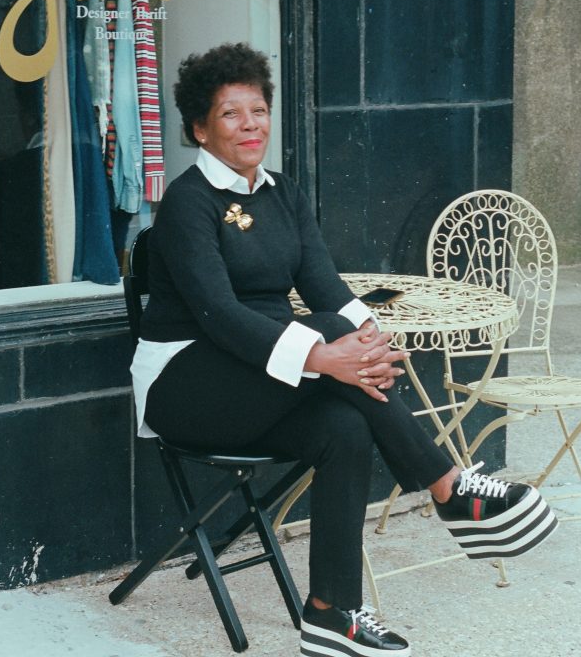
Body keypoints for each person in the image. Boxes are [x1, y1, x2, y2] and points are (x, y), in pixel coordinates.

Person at [130, 42, 557, 657]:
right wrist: (328, 355)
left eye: (258, 109)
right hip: (188, 386)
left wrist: (372, 345)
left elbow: (326, 286)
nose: (250, 124)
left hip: (266, 377)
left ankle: (330, 612)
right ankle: (449, 487)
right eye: (230, 113)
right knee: (330, 332)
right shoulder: (186, 203)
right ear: (199, 128)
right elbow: (218, 315)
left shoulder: (283, 194)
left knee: (343, 425)